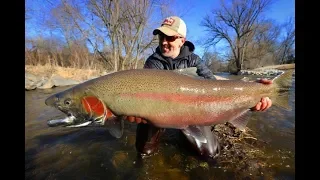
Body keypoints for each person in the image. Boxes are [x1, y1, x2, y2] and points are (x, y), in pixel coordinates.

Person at [126, 16, 272, 157]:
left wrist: (252, 94)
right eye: (160, 37)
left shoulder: (195, 61)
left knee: (209, 152)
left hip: (192, 112)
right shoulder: (152, 62)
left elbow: (216, 88)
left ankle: (184, 137)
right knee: (144, 151)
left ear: (181, 41)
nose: (163, 42)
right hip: (158, 112)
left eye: (169, 37)